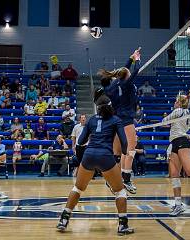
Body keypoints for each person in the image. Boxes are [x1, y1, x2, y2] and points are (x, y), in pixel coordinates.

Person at [56, 94, 134, 235]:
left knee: (78, 188)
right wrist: (123, 153)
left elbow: (80, 141)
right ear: (111, 106)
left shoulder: (91, 120)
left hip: (89, 156)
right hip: (105, 157)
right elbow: (124, 142)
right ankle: (123, 225)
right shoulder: (116, 120)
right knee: (120, 191)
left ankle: (63, 219)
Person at [96, 48, 141, 194]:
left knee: (117, 152)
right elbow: (135, 71)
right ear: (126, 76)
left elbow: (125, 70)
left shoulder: (111, 87)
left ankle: (112, 180)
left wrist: (131, 58)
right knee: (131, 149)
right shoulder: (127, 83)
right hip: (126, 119)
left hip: (115, 119)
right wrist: (137, 59)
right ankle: (126, 179)